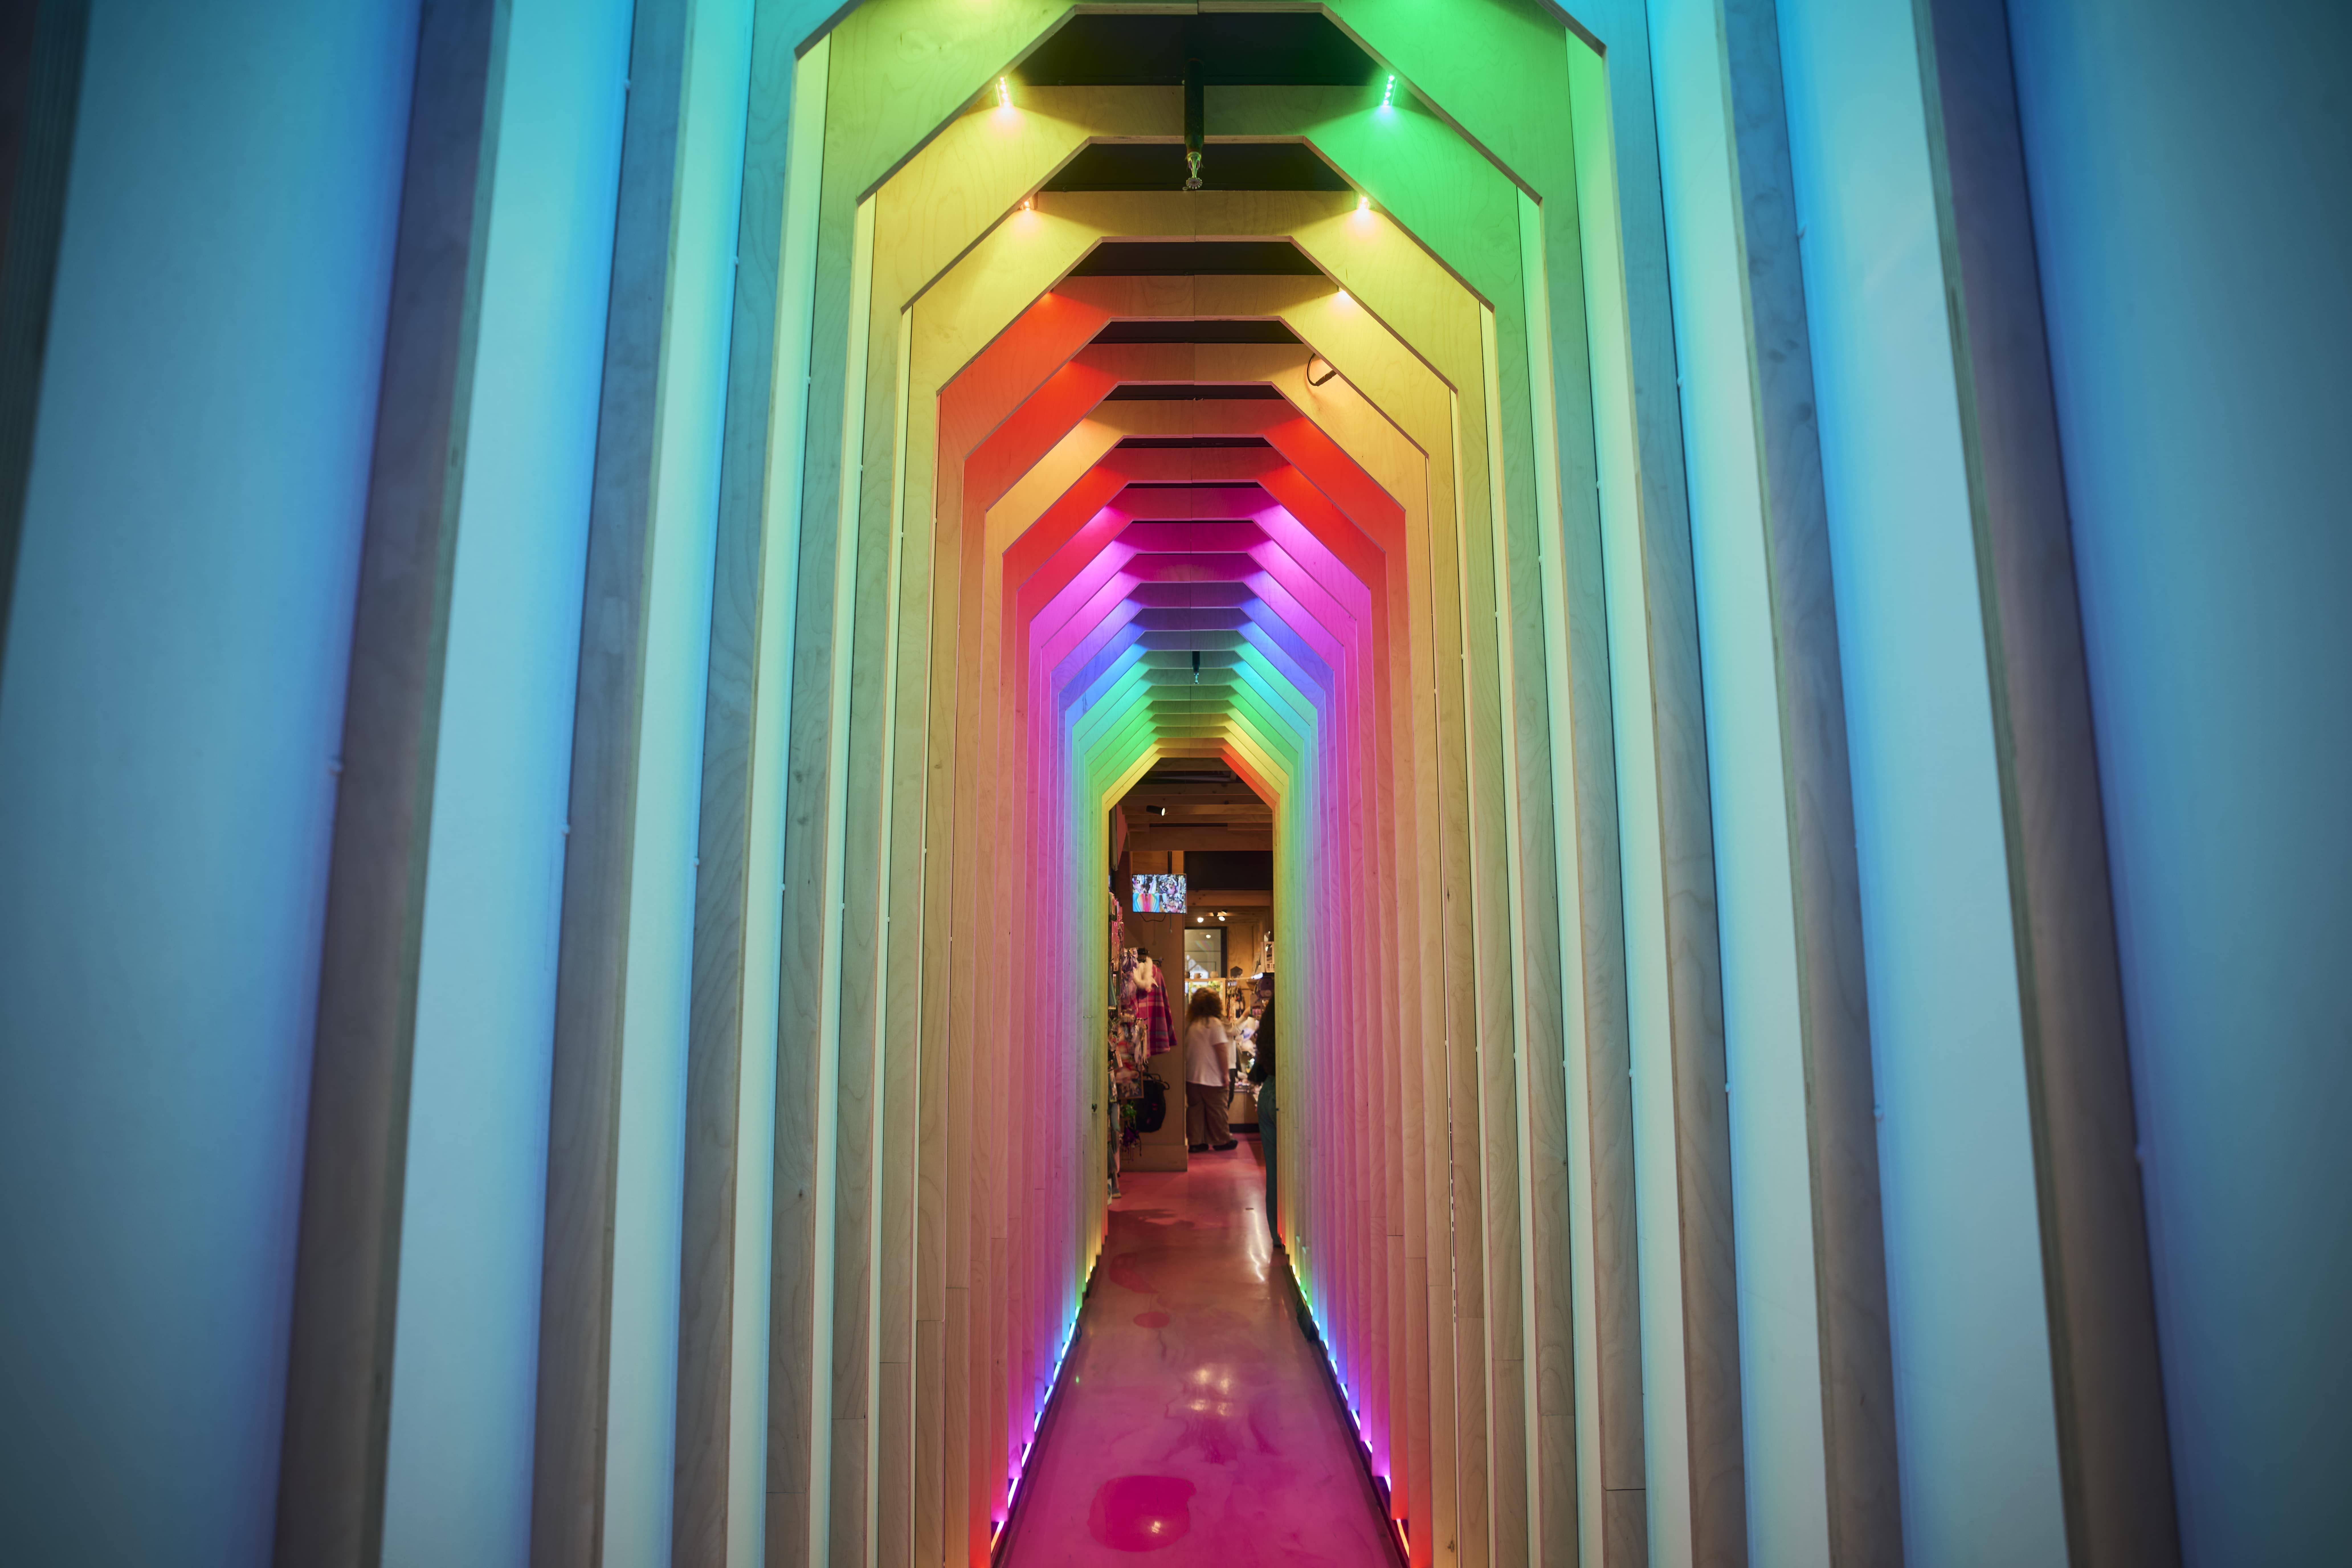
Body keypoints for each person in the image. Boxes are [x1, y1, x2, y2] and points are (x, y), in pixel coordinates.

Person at [1182, 986, 1236, 1153]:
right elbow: (1221, 1050)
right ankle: (1221, 1140)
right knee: (1217, 1110)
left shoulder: (1190, 1024)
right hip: (1213, 1078)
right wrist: (1226, 1074)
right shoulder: (1215, 1024)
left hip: (1192, 1077)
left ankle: (1197, 1142)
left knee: (1195, 1111)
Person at [1248, 982, 1277, 1243]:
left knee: (1275, 1170)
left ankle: (1278, 1233)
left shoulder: (1271, 1017)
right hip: (1285, 1092)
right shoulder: (1293, 1015)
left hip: (1268, 1089)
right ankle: (1294, 1234)